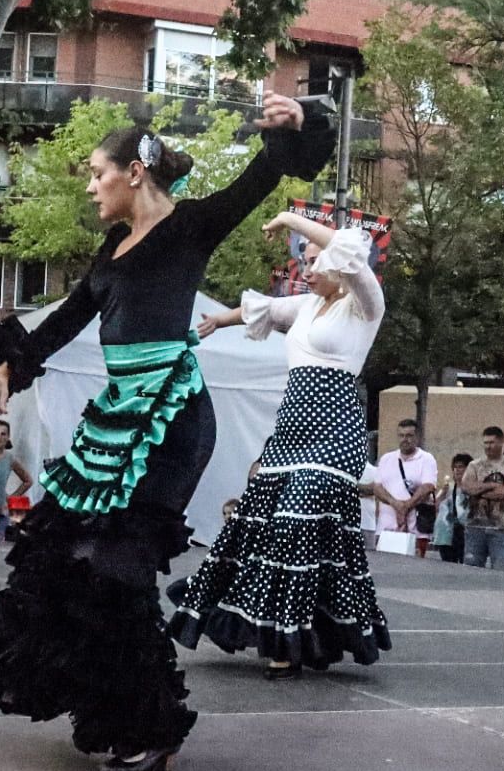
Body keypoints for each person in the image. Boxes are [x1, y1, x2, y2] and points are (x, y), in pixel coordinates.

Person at [0, 93, 333, 771]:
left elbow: (263, 176)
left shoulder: (191, 226)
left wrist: (302, 122)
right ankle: (110, 706)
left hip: (172, 418)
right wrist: (2, 375)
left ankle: (151, 726)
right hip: (115, 418)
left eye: (95, 172)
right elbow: (66, 321)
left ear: (134, 171)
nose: (88, 185)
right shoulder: (111, 249)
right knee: (67, 557)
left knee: (120, 565)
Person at [170, 214, 392, 676]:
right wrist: (220, 320)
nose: (305, 271)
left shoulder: (365, 305)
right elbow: (265, 312)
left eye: (314, 262)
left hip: (335, 431)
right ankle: (297, 637)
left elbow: (351, 249)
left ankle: (289, 640)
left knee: (299, 516)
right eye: (302, 263)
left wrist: (293, 218)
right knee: (266, 524)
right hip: (291, 431)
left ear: (339, 265)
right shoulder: (306, 307)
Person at [459, 427, 504, 571]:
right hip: (475, 525)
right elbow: (466, 487)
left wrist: (479, 491)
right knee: (471, 570)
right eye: (485, 443)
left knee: (502, 571)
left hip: (503, 527)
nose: (488, 446)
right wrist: (492, 485)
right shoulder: (474, 465)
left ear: (501, 442)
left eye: (492, 442)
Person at [372, 419, 438, 548]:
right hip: (386, 528)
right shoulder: (386, 459)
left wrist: (406, 506)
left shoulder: (426, 459)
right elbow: (377, 487)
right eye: (401, 435)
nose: (405, 439)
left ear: (417, 437)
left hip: (416, 530)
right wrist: (395, 504)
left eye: (409, 436)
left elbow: (428, 486)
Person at [432, 453, 472, 564]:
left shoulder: (473, 488)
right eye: (455, 467)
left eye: (461, 467)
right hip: (446, 533)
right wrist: (443, 493)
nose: (457, 470)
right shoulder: (448, 487)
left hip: (466, 532)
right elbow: (435, 506)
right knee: (448, 563)